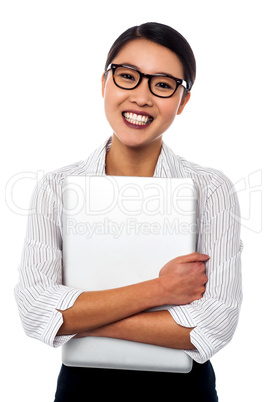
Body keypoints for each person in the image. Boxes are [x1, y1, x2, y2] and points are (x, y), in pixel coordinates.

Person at [14, 22, 242, 401]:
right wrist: (161, 290)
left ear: (182, 101)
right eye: (128, 76)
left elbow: (212, 327)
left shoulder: (212, 189)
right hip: (83, 391)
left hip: (183, 393)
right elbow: (35, 312)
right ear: (104, 82)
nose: (141, 97)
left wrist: (79, 318)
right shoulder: (56, 188)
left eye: (163, 84)